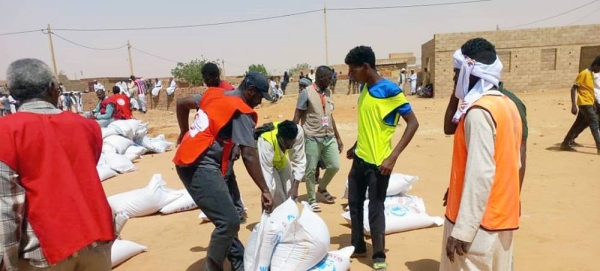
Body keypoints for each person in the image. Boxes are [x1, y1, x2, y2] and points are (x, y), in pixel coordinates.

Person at [0, 58, 114, 270]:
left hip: (44, 252)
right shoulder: (87, 126)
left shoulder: (6, 132)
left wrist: (8, 263)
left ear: (13, 93)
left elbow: (6, 208)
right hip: (96, 238)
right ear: (53, 88)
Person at [173, 71, 274, 271]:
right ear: (250, 90)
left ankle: (238, 262)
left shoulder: (214, 94)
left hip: (194, 159)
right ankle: (213, 267)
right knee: (229, 221)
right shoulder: (242, 110)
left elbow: (181, 103)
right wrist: (264, 189)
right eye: (259, 96)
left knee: (228, 217)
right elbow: (249, 155)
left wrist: (184, 131)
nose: (260, 101)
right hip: (199, 165)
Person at [440, 38, 522, 271]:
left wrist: (464, 230)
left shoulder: (479, 113)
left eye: (457, 74)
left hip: (478, 227)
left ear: (470, 73)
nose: (455, 79)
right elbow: (514, 162)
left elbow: (480, 173)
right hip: (502, 217)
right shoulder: (507, 105)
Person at [344, 46, 419, 271]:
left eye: (353, 70)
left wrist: (393, 157)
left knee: (375, 208)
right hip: (360, 159)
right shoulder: (364, 88)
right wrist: (355, 146)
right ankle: (357, 245)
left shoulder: (389, 90)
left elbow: (413, 123)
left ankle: (378, 255)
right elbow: (370, 124)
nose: (350, 74)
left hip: (379, 164)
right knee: (354, 204)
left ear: (366, 67)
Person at [176, 62, 248, 222]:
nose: (206, 81)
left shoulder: (226, 92)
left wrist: (237, 145)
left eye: (209, 77)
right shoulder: (210, 93)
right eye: (204, 78)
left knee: (226, 176)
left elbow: (240, 121)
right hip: (216, 144)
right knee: (227, 175)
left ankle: (235, 212)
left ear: (216, 76)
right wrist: (184, 131)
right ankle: (235, 211)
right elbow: (181, 104)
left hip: (228, 144)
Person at [293, 66, 342, 212]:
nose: (331, 80)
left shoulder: (328, 92)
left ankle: (321, 188)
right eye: (329, 77)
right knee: (311, 170)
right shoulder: (306, 93)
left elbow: (330, 116)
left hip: (329, 136)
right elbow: (297, 115)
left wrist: (338, 137)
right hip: (312, 137)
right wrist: (291, 136)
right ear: (321, 78)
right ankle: (312, 198)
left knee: (334, 165)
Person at [254, 120, 306, 207]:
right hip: (267, 163)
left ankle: (290, 218)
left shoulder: (298, 132)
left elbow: (299, 161)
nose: (290, 146)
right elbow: (267, 174)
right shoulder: (266, 141)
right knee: (277, 196)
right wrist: (267, 195)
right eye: (287, 144)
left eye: (292, 142)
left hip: (281, 161)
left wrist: (295, 187)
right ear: (279, 137)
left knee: (291, 195)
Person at [560, 56, 600, 154]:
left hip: (589, 103)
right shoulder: (584, 73)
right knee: (594, 123)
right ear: (595, 65)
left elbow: (589, 90)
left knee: (578, 124)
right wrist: (573, 105)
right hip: (584, 103)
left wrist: (594, 102)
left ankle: (566, 143)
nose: (599, 71)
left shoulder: (591, 74)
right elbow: (574, 88)